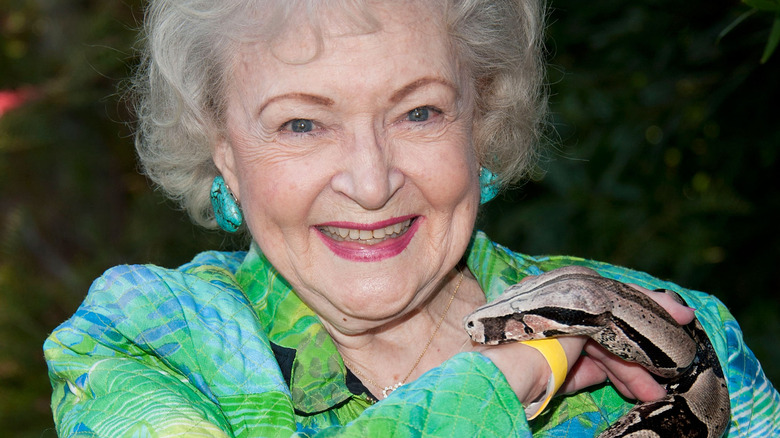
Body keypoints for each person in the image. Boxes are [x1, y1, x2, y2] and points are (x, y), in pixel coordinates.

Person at [44, 0, 779, 436]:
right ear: (225, 151)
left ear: (481, 126)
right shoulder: (144, 341)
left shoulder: (685, 335)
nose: (370, 183)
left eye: (419, 111)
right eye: (303, 123)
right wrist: (519, 371)